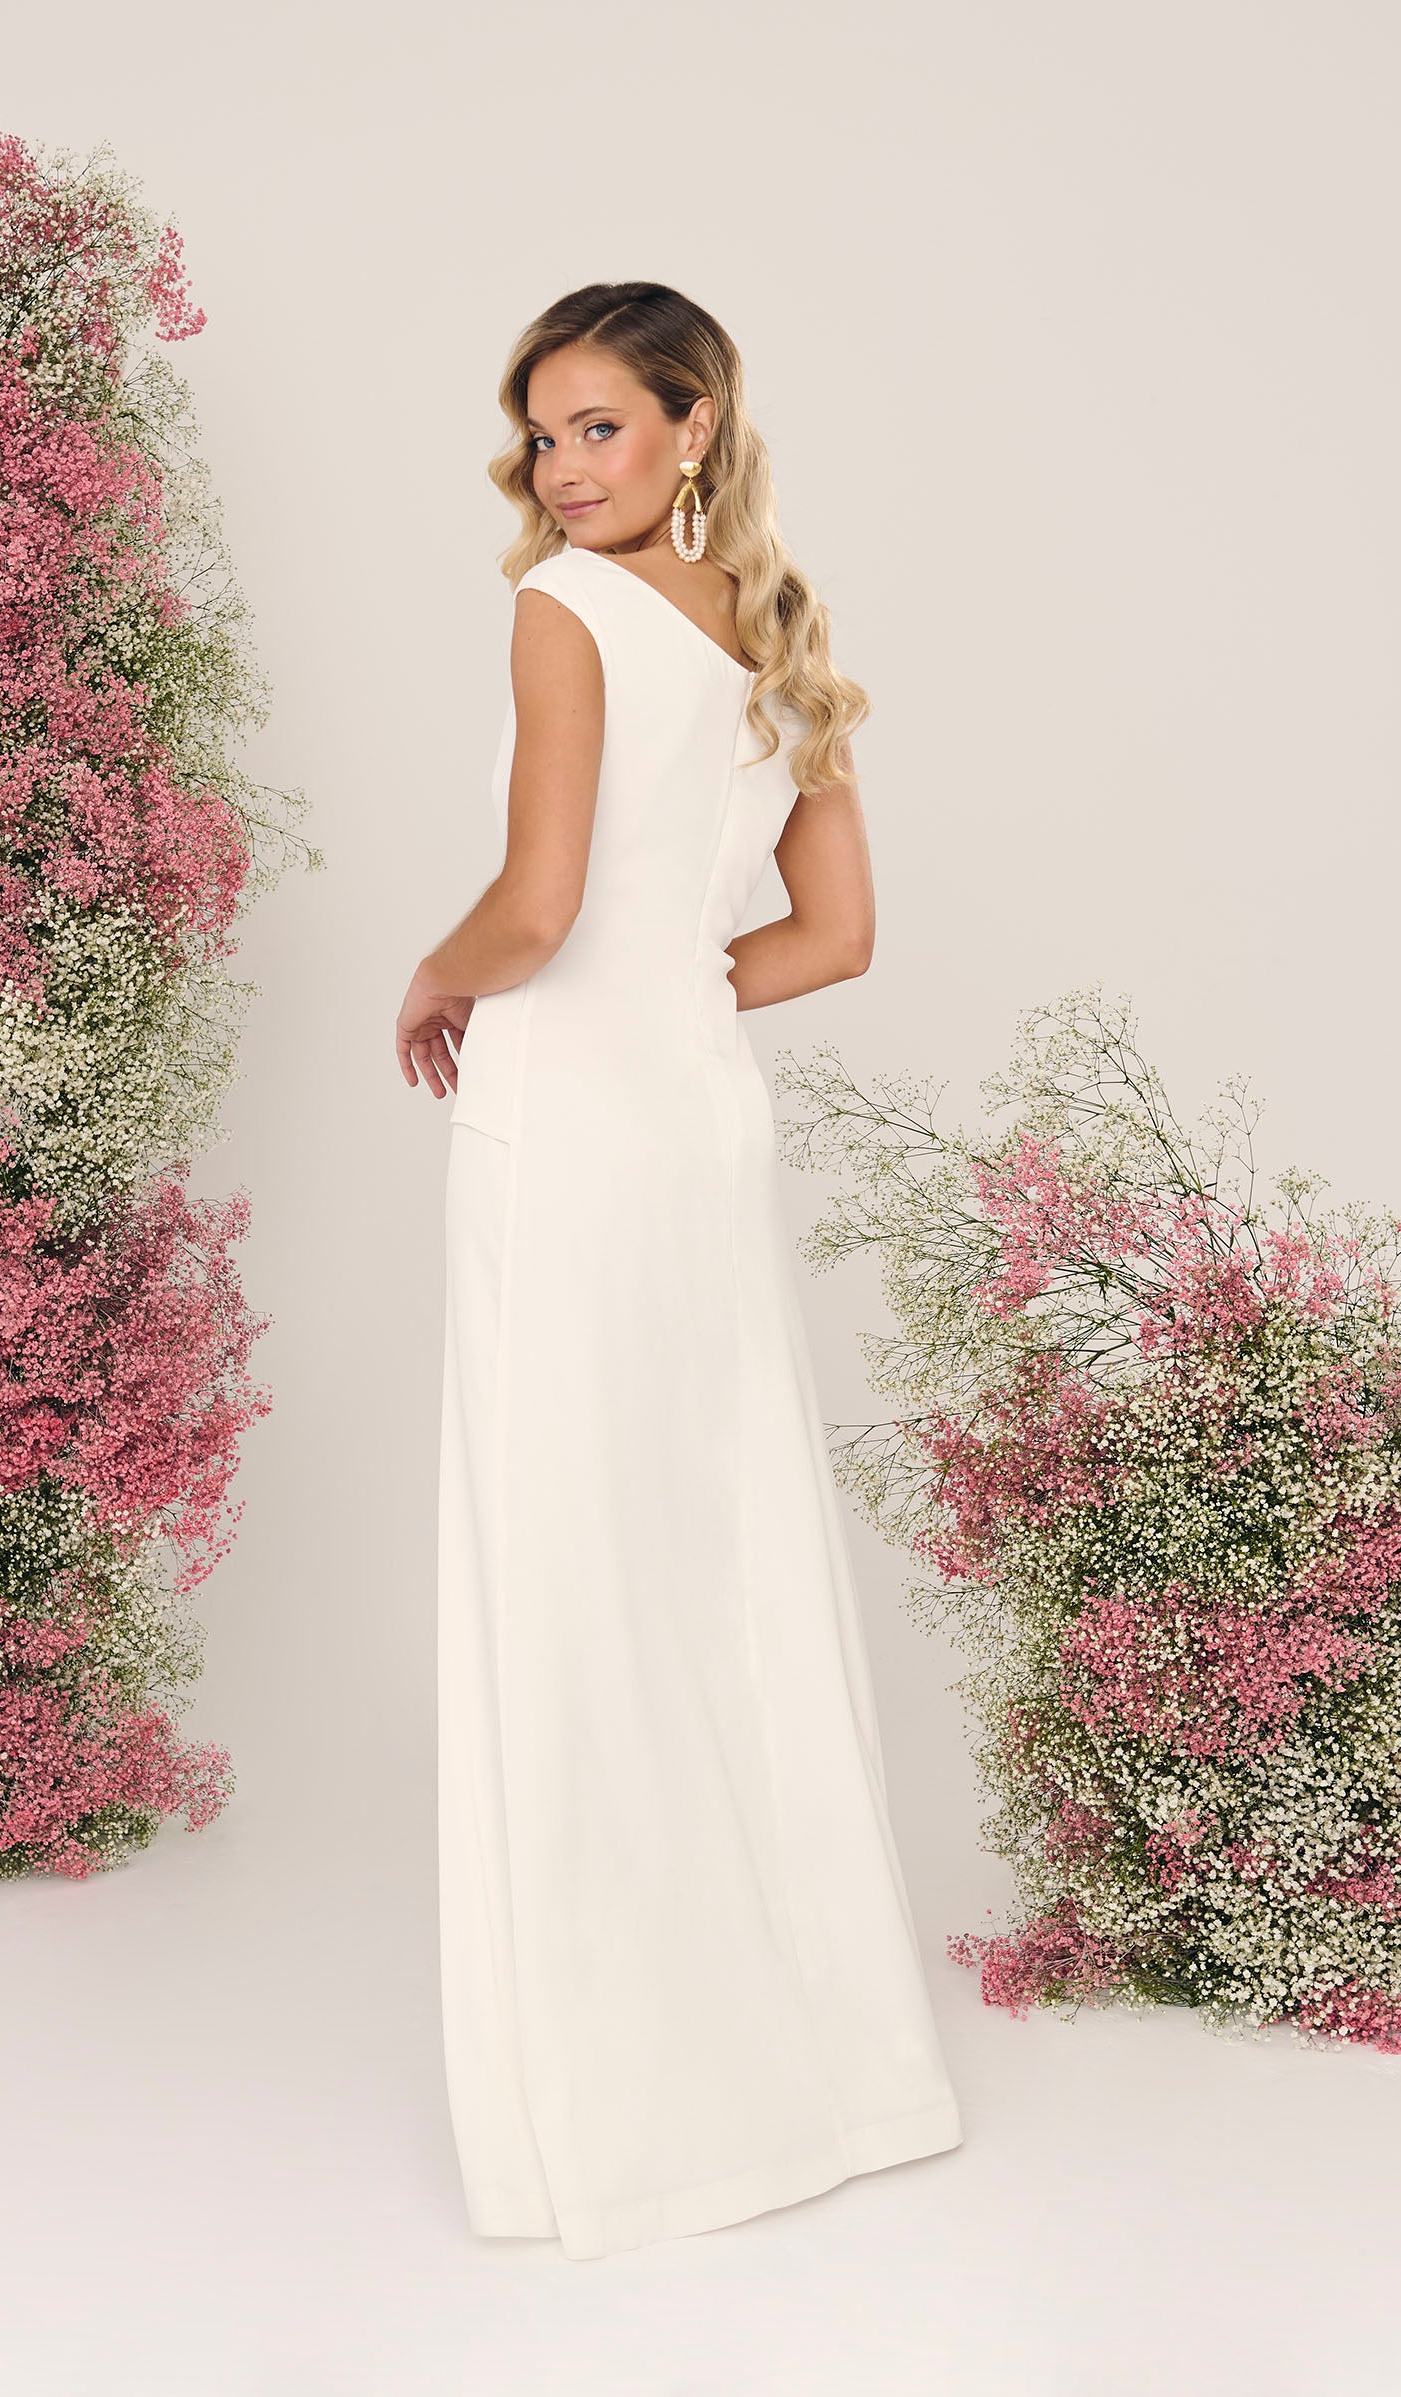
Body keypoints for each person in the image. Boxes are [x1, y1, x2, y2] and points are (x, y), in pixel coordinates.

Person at [396, 282, 963, 2262]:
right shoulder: (775, 625)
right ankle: (841, 2080)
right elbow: (835, 933)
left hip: (563, 1125)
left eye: (601, 428)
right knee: (719, 1555)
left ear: (692, 425)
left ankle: (624, 2123)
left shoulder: (565, 607)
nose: (563, 469)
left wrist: (434, 972)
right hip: (698, 1122)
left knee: (568, 1567)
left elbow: (538, 903)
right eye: (543, 434)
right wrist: (664, 985)